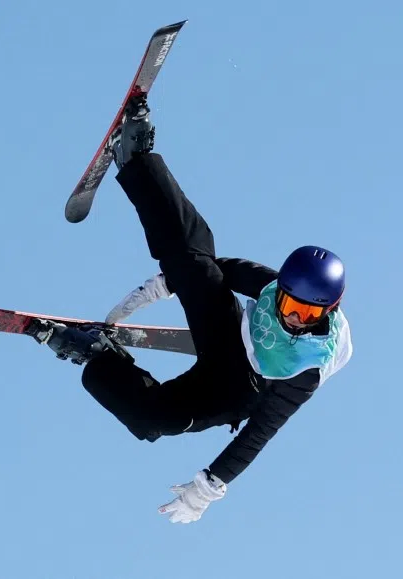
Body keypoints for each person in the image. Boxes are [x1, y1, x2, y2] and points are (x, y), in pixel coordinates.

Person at [39, 95, 353, 524]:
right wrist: (171, 282)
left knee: (153, 420)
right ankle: (136, 160)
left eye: (310, 313)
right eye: (291, 303)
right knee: (190, 255)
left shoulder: (306, 370)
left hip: (240, 390)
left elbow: (262, 432)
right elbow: (218, 270)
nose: (296, 317)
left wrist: (211, 483)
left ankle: (98, 356)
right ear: (280, 288)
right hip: (230, 335)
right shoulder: (267, 286)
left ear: (329, 311)